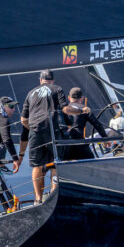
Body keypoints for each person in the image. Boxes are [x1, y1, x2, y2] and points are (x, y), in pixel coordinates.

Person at [21, 70, 78, 203]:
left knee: (37, 166)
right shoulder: (57, 88)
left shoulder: (30, 93)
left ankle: (38, 199)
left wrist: (34, 129)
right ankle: (53, 196)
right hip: (52, 130)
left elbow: (23, 120)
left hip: (35, 132)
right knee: (55, 164)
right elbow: (65, 109)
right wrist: (82, 110)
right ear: (52, 80)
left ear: (40, 80)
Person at [60, 87, 111, 160]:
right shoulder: (85, 109)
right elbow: (97, 125)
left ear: (69, 98)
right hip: (78, 141)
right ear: (82, 98)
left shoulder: (65, 109)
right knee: (90, 161)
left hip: (63, 143)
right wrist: (105, 138)